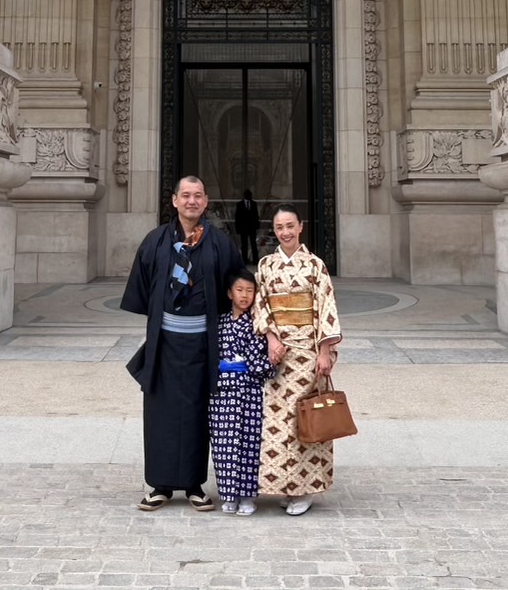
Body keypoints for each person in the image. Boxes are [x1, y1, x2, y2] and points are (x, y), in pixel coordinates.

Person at [121, 175, 243, 513]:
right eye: (185, 195)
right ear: (174, 201)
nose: (192, 201)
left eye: (198, 196)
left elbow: (236, 287)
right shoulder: (155, 241)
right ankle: (159, 485)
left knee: (197, 414)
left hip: (203, 343)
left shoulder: (219, 242)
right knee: (159, 412)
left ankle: (193, 484)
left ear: (206, 202)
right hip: (165, 341)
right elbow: (145, 288)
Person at [253, 207, 342, 516]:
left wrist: (324, 351)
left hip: (307, 351)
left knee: (305, 419)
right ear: (274, 231)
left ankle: (305, 489)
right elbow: (261, 304)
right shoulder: (266, 265)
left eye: (290, 225)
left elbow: (325, 306)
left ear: (300, 227)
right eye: (279, 227)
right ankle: (283, 485)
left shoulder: (316, 266)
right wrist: (272, 339)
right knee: (277, 423)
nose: (285, 232)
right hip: (278, 354)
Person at [208, 269, 275, 516]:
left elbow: (266, 363)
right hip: (222, 394)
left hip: (248, 391)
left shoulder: (259, 325)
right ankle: (228, 494)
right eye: (239, 290)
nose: (245, 295)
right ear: (229, 293)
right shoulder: (219, 322)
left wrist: (250, 365)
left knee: (249, 443)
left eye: (249, 290)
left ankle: (247, 496)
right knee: (223, 443)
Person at [233, 189, 261, 264]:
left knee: (253, 244)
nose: (249, 196)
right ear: (245, 196)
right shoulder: (239, 204)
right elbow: (237, 217)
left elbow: (256, 215)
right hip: (243, 228)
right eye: (248, 195)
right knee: (244, 245)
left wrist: (257, 225)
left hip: (252, 228)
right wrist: (237, 228)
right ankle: (244, 260)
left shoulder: (254, 204)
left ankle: (255, 260)